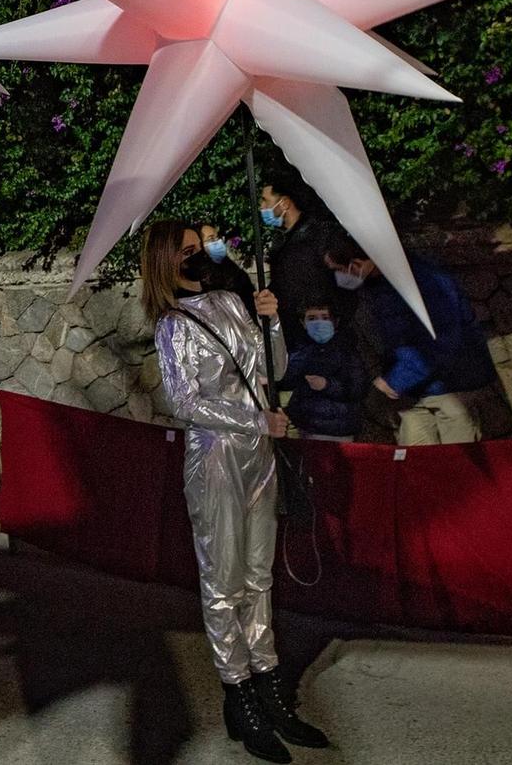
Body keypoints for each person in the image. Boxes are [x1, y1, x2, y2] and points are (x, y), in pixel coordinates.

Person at [144, 219, 323, 762]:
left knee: (258, 573)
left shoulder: (230, 300)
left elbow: (277, 369)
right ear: (165, 263)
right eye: (186, 253)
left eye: (200, 250)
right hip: (216, 459)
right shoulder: (172, 324)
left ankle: (269, 683)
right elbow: (185, 401)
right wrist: (253, 422)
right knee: (222, 579)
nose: (197, 258)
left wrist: (272, 325)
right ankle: (238, 691)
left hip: (259, 456)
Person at [323, 238, 500, 446]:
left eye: (338, 270)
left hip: (453, 384)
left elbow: (441, 339)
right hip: (416, 392)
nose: (338, 277)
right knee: (415, 466)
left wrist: (398, 378)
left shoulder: (425, 280)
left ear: (356, 264)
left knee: (456, 467)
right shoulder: (380, 285)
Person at [260, 173, 351, 335]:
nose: (261, 208)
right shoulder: (282, 243)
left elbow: (346, 284)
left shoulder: (322, 235)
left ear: (285, 203)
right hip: (297, 336)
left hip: (328, 336)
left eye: (265, 201)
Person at [274, 292, 367, 441]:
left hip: (339, 429)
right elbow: (285, 377)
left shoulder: (347, 350)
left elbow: (357, 387)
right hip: (305, 427)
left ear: (335, 321)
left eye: (325, 318)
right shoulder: (300, 351)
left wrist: (327, 385)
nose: (319, 323)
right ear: (303, 323)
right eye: (311, 319)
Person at [199, 223, 260, 317]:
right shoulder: (199, 279)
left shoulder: (233, 270)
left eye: (218, 237)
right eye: (211, 239)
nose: (218, 241)